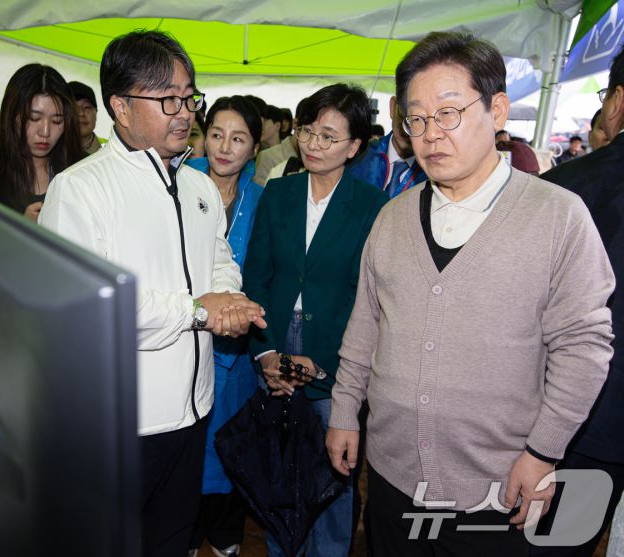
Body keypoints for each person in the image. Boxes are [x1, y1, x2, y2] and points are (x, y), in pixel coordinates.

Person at [326, 32, 614, 557]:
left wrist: (543, 452)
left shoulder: (557, 216)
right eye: (416, 119)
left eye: (448, 113)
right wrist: (345, 410)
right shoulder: (392, 218)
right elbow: (366, 322)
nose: (430, 134)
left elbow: (584, 347)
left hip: (497, 486)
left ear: (497, 110)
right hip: (392, 475)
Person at [37, 30, 267, 557]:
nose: (184, 113)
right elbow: (88, 309)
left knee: (171, 539)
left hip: (194, 410)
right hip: (123, 423)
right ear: (120, 106)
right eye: (168, 100)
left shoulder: (198, 184)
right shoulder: (80, 190)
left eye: (189, 97)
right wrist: (196, 312)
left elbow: (219, 259)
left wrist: (226, 299)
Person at [243, 83, 389, 557]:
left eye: (328, 136)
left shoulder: (372, 206)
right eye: (307, 130)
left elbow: (365, 300)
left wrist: (320, 364)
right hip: (275, 349)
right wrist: (267, 353)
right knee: (280, 476)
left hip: (335, 362)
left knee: (331, 481)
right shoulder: (278, 193)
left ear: (354, 146)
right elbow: (257, 276)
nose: (312, 143)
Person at [535, 44, 624, 557]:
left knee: (555, 546)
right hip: (590, 424)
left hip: (582, 423)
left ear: (617, 102)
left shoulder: (565, 190)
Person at [186, 95, 263, 557]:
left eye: (238, 138)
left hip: (238, 351)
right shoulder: (179, 182)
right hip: (185, 337)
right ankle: (186, 534)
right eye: (216, 134)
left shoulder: (263, 200)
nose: (224, 147)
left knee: (230, 444)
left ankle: (226, 536)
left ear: (254, 148)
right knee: (185, 449)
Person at [0, 64, 84, 221]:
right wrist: (21, 226)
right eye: (33, 118)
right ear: (11, 115)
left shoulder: (84, 171)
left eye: (57, 121)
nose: (45, 132)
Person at [350, 95, 428, 197]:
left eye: (418, 118)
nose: (407, 127)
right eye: (404, 111)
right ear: (393, 106)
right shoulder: (357, 157)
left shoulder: (436, 177)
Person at [68, 80, 106, 154]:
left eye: (87, 107)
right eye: (73, 107)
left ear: (96, 112)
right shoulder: (48, 150)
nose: (81, 113)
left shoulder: (109, 150)